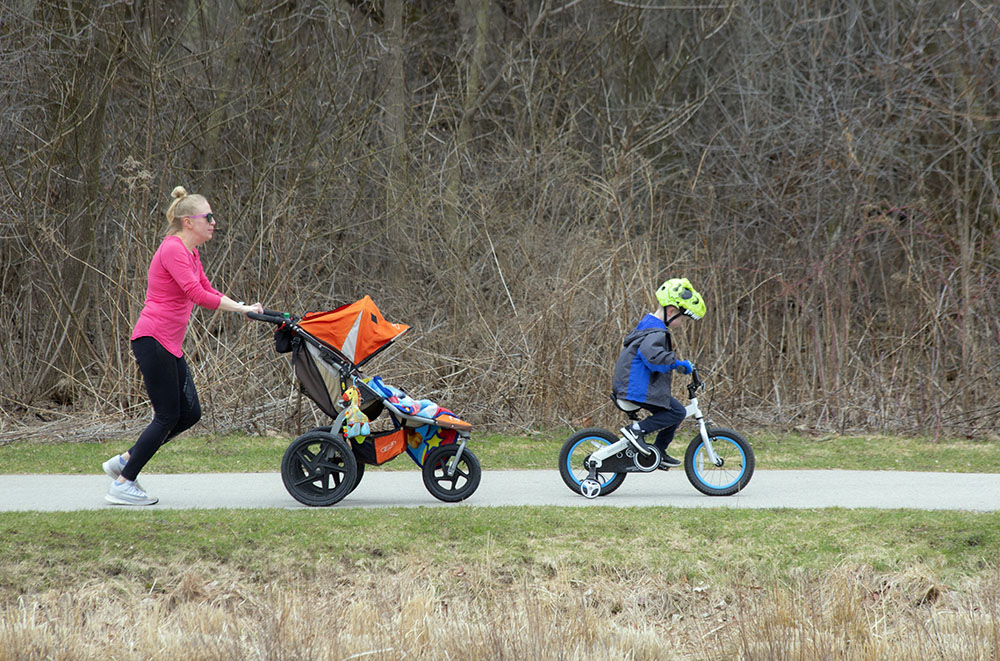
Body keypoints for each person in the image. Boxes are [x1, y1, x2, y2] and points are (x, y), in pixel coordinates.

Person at [103, 186, 264, 505]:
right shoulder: (173, 249)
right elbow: (198, 295)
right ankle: (124, 482)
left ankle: (126, 460)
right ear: (189, 221)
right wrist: (240, 309)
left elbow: (206, 286)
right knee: (166, 415)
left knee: (189, 413)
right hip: (153, 339)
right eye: (209, 217)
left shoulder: (190, 252)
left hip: (168, 344)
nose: (214, 222)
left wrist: (242, 306)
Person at [611, 277, 706, 470]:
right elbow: (653, 358)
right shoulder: (656, 332)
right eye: (682, 318)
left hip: (636, 386)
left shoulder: (650, 327)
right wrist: (678, 364)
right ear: (671, 311)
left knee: (673, 412)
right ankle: (636, 430)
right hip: (636, 388)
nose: (681, 323)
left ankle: (659, 452)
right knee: (677, 411)